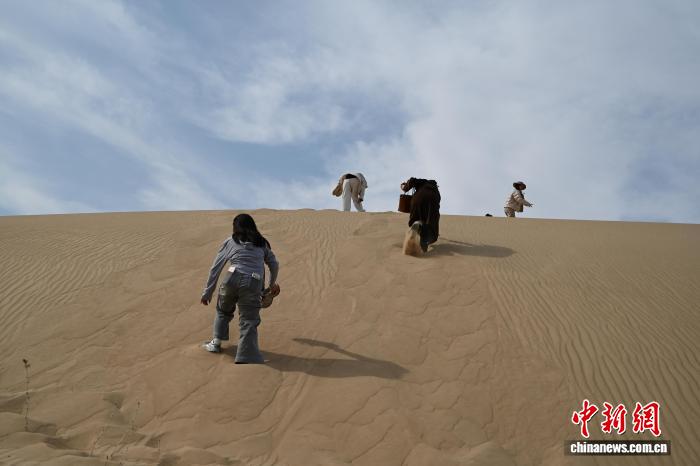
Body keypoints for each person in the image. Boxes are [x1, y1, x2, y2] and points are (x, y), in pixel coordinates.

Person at [200, 214, 279, 364]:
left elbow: (216, 268)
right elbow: (274, 265)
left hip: (231, 277)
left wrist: (207, 292)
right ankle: (246, 356)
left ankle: (215, 343)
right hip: (253, 282)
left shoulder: (230, 241)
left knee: (223, 311)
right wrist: (271, 285)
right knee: (248, 319)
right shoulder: (262, 243)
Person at [400, 177, 441, 253]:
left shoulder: (422, 182)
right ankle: (423, 244)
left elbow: (412, 180)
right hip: (432, 203)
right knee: (430, 226)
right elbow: (436, 208)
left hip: (417, 200)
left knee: (415, 219)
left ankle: (417, 225)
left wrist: (405, 187)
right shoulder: (436, 192)